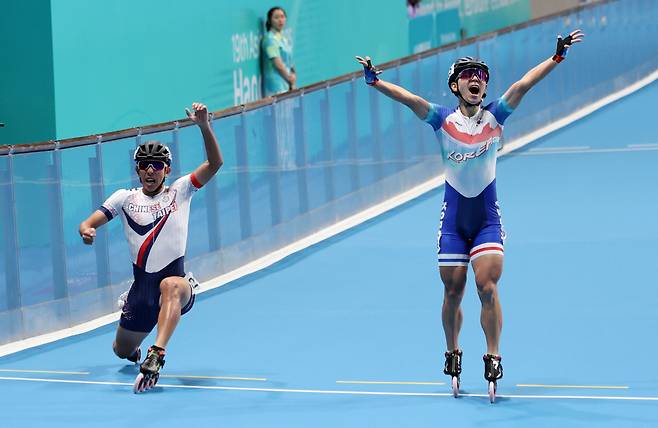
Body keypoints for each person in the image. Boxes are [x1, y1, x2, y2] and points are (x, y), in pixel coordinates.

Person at [356, 29, 584, 399]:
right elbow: (409, 99)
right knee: (452, 291)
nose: (475, 79)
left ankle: (493, 354)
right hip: (453, 223)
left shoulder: (497, 115)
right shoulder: (441, 119)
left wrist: (556, 57)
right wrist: (376, 81)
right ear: (455, 86)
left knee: (487, 287)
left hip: (486, 221)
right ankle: (452, 349)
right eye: (467, 75)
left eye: (480, 75)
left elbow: (524, 84)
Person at [78, 102, 223, 393]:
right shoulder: (124, 198)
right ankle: (136, 350)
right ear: (137, 170)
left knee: (171, 286)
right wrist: (87, 229)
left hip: (176, 285)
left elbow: (214, 163)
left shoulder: (181, 190)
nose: (150, 170)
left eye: (156, 165)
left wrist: (204, 126)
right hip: (141, 293)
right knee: (120, 349)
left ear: (166, 169)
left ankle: (157, 353)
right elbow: (89, 221)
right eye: (144, 165)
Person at [262, 6, 295, 97]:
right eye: (276, 17)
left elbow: (291, 63)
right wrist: (289, 79)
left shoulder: (284, 39)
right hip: (276, 87)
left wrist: (292, 77)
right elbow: (278, 64)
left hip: (287, 85)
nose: (280, 20)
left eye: (282, 16)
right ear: (269, 21)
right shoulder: (269, 40)